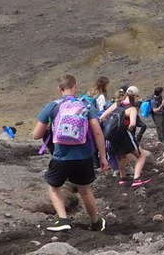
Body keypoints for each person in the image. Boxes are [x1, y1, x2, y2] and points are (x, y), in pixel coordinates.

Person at [32, 73, 108, 232]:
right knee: (85, 190)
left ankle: (63, 220)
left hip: (61, 157)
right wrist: (103, 156)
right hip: (84, 157)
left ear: (59, 89)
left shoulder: (52, 106)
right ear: (76, 86)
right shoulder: (87, 104)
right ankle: (95, 222)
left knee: (53, 187)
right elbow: (98, 131)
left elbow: (36, 135)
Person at [111, 86, 150, 186]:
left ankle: (122, 178)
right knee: (141, 156)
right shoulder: (131, 108)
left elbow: (103, 117)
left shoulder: (117, 104)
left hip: (114, 137)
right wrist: (127, 130)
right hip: (125, 136)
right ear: (135, 96)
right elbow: (132, 124)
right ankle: (137, 178)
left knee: (123, 157)